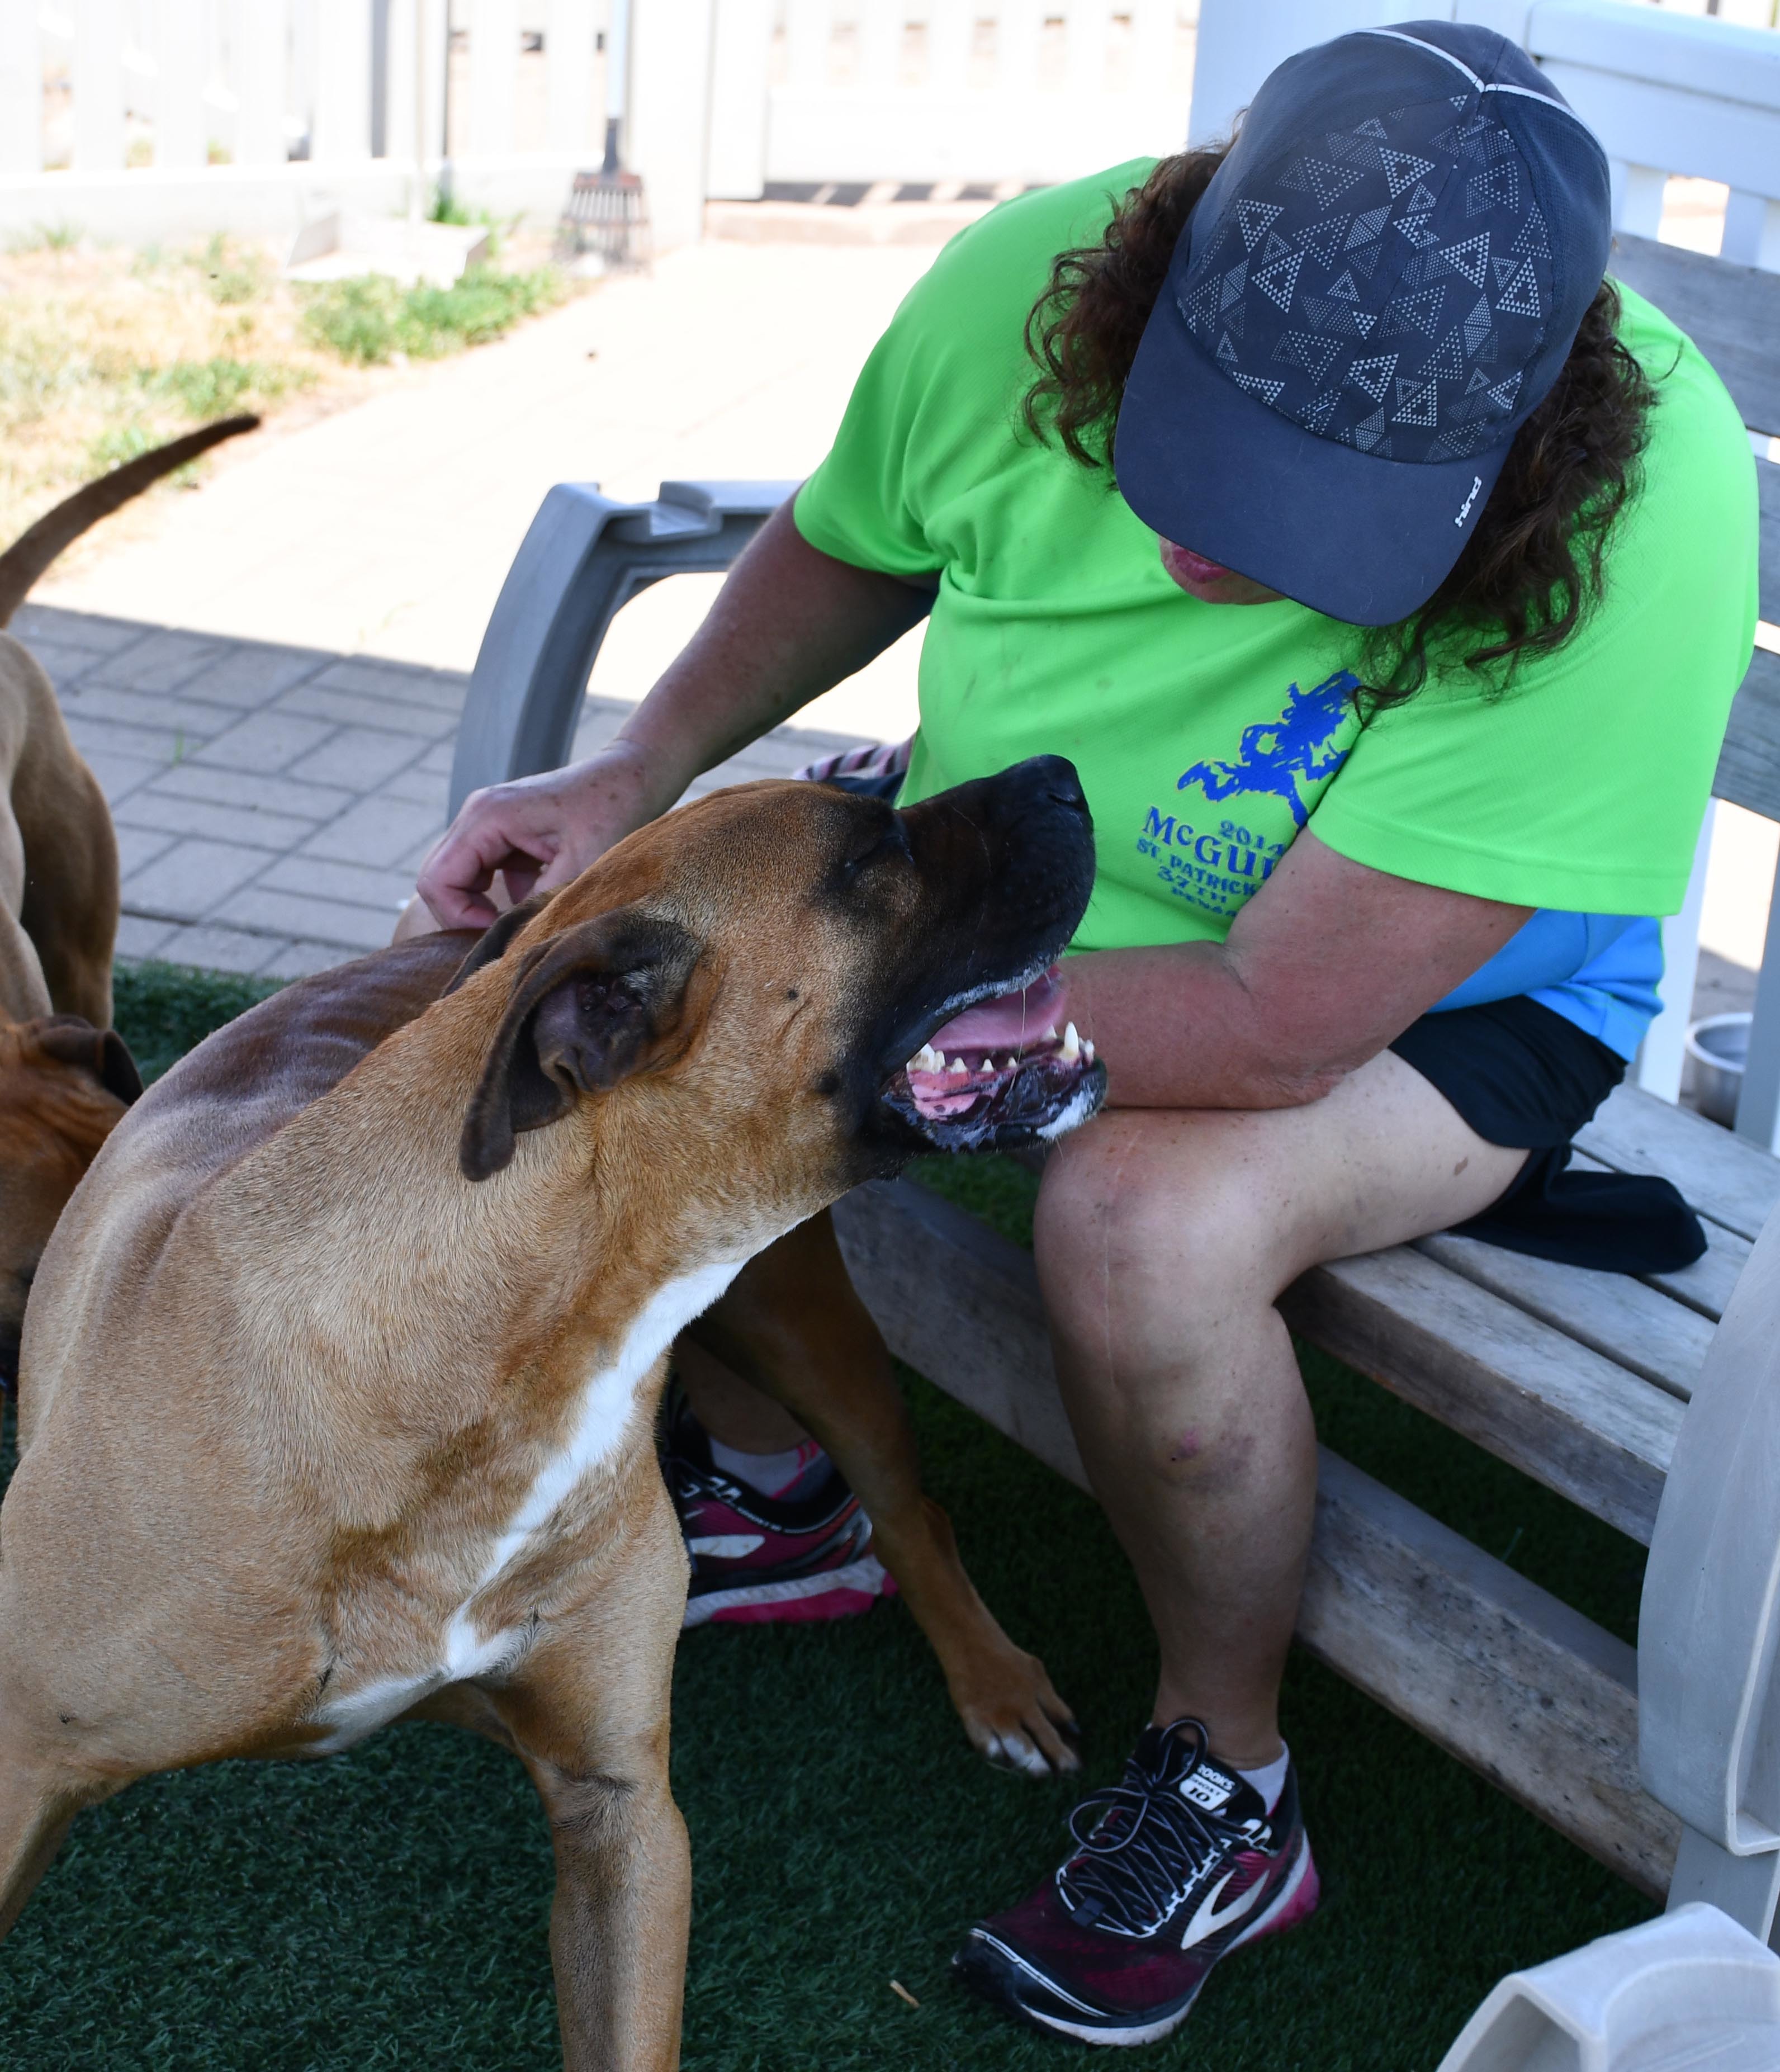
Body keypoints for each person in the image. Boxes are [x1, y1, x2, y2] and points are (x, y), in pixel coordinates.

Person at [411, 20, 1758, 2049]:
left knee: (1131, 1218)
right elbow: (851, 541)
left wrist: (845, 1007)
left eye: (1326, 516)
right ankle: (785, 1484)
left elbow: (1277, 1018)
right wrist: (638, 777)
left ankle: (1230, 1776)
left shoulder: (1640, 505)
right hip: (1012, 901)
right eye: (1202, 454)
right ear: (1156, 282)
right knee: (696, 952)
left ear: (1509, 465)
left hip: (1437, 1017)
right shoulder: (1026, 281)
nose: (1215, 549)